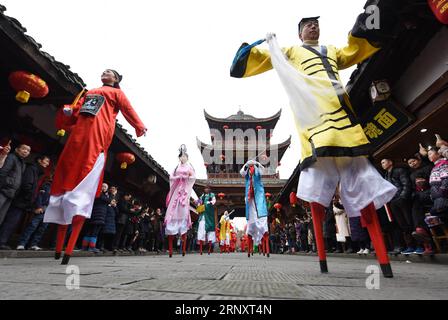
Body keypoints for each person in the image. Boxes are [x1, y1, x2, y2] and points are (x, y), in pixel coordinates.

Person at [231, 15, 397, 277]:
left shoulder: (332, 51)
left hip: (342, 111)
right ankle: (322, 252)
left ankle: (381, 254)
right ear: (299, 34)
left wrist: (373, 26)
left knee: (361, 175)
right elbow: (263, 58)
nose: (313, 27)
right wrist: (251, 50)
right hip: (315, 118)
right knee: (318, 187)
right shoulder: (292, 52)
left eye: (316, 24)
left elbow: (355, 49)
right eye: (307, 25)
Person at [44, 69, 147, 265]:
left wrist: (138, 125)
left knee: (86, 174)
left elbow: (128, 109)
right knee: (66, 171)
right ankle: (59, 247)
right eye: (104, 70)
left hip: (97, 135)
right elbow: (76, 113)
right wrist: (68, 111)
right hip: (78, 135)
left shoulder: (116, 93)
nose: (105, 72)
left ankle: (68, 247)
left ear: (116, 79)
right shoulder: (88, 92)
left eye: (110, 72)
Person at [0, 153, 48, 250]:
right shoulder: (32, 169)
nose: (47, 164)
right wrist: (29, 199)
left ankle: (3, 241)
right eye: (46, 161)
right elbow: (27, 185)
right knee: (11, 221)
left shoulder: (37, 171)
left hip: (23, 201)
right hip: (21, 200)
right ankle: (2, 242)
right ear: (39, 160)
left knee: (13, 221)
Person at [164, 145, 196, 257]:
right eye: (181, 156)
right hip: (177, 189)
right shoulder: (176, 168)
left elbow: (193, 178)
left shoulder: (190, 167)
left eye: (184, 156)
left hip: (184, 191)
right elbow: (171, 177)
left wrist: (186, 178)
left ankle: (183, 246)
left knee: (183, 209)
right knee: (172, 208)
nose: (183, 158)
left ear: (187, 157)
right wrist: (177, 178)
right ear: (179, 158)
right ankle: (171, 247)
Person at [381, 158, 415, 255]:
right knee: (401, 224)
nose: (382, 164)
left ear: (390, 162)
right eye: (381, 163)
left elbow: (406, 184)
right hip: (393, 201)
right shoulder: (385, 175)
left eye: (383, 162)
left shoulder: (399, 170)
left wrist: (403, 197)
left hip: (402, 199)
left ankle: (418, 245)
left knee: (409, 221)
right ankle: (410, 245)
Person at [240, 159, 270, 258]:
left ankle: (263, 239)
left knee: (260, 214)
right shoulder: (247, 170)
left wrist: (257, 163)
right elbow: (242, 172)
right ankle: (252, 236)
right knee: (252, 217)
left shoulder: (257, 169)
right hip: (249, 196)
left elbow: (263, 170)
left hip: (259, 195)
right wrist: (246, 164)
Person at [407, 153, 433, 254]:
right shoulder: (411, 175)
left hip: (431, 195)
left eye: (413, 161)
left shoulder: (428, 167)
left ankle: (421, 232)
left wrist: (425, 183)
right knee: (415, 209)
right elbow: (413, 188)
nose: (412, 164)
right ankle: (420, 231)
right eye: (409, 163)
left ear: (418, 160)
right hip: (420, 197)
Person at [16, 175, 52, 250]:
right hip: (41, 209)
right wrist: (38, 206)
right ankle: (22, 243)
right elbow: (39, 196)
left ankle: (33, 244)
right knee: (32, 226)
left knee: (42, 229)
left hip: (50, 212)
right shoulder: (46, 185)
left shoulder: (58, 189)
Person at [0, 144, 30, 227]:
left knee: (1, 217)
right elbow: (3, 172)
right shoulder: (11, 157)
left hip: (11, 193)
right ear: (17, 149)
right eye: (24, 149)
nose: (26, 151)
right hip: (3, 190)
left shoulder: (22, 163)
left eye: (28, 151)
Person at [81, 183, 111, 253]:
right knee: (94, 231)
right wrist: (106, 195)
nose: (104, 188)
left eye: (105, 187)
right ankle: (91, 247)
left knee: (91, 231)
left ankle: (85, 246)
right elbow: (108, 200)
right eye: (103, 186)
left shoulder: (99, 193)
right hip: (98, 215)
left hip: (96, 215)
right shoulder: (100, 194)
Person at [197, 185, 217, 255]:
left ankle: (209, 249)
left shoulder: (212, 195)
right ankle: (201, 250)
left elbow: (214, 201)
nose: (206, 189)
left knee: (210, 232)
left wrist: (210, 202)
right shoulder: (202, 196)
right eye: (205, 188)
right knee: (201, 231)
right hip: (202, 216)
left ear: (209, 189)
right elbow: (198, 202)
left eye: (207, 188)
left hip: (209, 216)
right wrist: (198, 203)